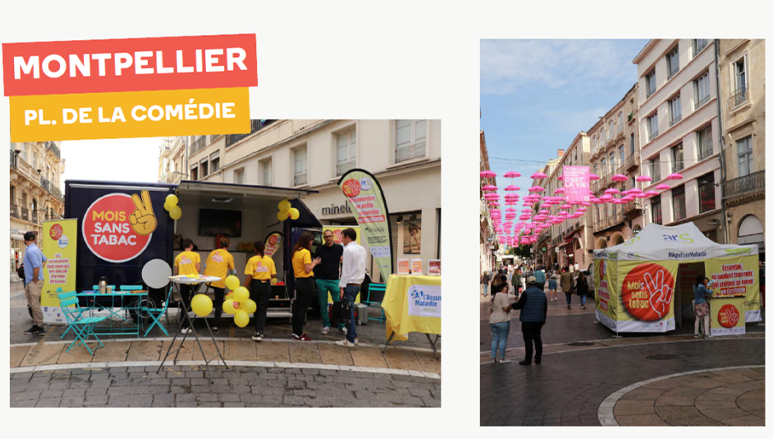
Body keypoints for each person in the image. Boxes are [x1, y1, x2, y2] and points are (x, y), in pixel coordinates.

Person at [336, 228, 366, 347]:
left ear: (348, 237)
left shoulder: (348, 250)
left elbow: (345, 271)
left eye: (342, 237)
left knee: (348, 312)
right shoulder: (362, 249)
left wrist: (341, 287)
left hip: (350, 283)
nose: (342, 240)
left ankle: (350, 340)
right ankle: (354, 336)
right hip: (358, 283)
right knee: (350, 310)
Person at [506, 276, 547, 365]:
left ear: (528, 283)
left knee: (528, 340)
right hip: (539, 320)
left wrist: (511, 306)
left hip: (527, 320)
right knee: (537, 338)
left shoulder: (526, 293)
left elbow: (519, 305)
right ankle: (538, 358)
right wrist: (543, 318)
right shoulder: (542, 293)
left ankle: (528, 359)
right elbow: (545, 307)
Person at [291, 232, 322, 341]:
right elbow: (308, 269)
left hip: (298, 281)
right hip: (306, 282)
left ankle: (295, 331)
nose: (312, 242)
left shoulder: (296, 251)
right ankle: (299, 333)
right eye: (312, 241)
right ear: (308, 241)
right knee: (303, 309)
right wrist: (315, 263)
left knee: (297, 308)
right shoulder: (305, 252)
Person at [314, 229, 345, 335]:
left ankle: (341, 326)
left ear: (333, 237)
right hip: (321, 280)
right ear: (324, 238)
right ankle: (326, 325)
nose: (328, 238)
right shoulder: (319, 249)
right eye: (326, 237)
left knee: (338, 303)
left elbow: (343, 262)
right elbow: (316, 262)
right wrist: (316, 279)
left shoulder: (339, 248)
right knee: (323, 305)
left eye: (329, 236)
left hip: (335, 280)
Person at [245, 240, 276, 342]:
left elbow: (249, 275)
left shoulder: (252, 260)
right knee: (263, 309)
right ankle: (260, 331)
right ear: (264, 248)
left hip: (255, 285)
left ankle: (257, 330)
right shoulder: (269, 260)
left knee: (255, 307)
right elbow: (273, 275)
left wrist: (244, 287)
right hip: (266, 285)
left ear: (254, 249)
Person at [203, 237, 235, 333]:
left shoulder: (213, 252)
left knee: (208, 295)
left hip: (208, 280)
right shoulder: (229, 256)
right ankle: (215, 326)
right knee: (218, 303)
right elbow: (233, 271)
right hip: (219, 282)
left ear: (219, 244)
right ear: (228, 245)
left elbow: (205, 266)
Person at [174, 239, 201, 333]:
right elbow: (198, 269)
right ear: (191, 245)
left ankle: (184, 327)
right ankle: (191, 314)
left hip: (183, 282)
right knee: (194, 301)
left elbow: (176, 272)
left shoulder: (178, 257)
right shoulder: (196, 255)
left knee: (184, 304)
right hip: (194, 282)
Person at [22, 232, 47, 335]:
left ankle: (40, 326)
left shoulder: (30, 251)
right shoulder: (36, 249)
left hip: (33, 281)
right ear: (34, 240)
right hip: (31, 280)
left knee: (35, 304)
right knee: (32, 304)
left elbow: (36, 267)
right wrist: (40, 270)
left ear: (25, 240)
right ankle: (36, 325)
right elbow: (45, 260)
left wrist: (35, 280)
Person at [489, 275, 512, 364]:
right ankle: (502, 358)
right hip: (502, 319)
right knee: (502, 340)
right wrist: (511, 306)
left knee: (495, 339)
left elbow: (491, 309)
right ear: (502, 288)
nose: (507, 289)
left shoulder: (492, 297)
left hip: (493, 320)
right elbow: (505, 308)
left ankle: (493, 358)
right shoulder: (503, 296)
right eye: (507, 287)